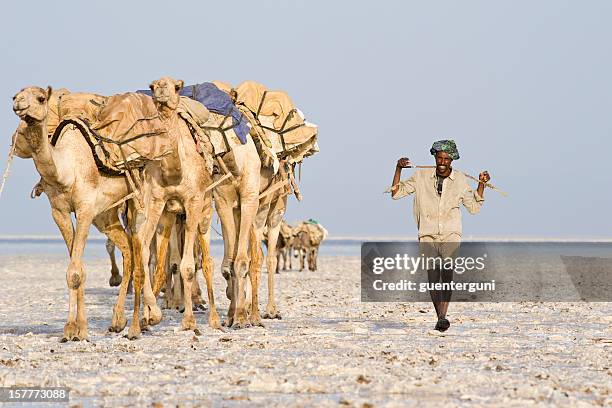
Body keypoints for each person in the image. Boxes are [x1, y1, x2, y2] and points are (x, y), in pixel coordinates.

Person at [389, 140, 490, 331]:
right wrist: (398, 169)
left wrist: (482, 185)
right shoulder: (420, 176)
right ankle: (441, 317)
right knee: (433, 277)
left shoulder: (460, 180)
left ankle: (442, 316)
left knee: (447, 272)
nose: (442, 162)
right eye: (439, 158)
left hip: (451, 232)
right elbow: (395, 194)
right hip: (427, 232)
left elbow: (474, 208)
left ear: (452, 160)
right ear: (434, 158)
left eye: (446, 159)